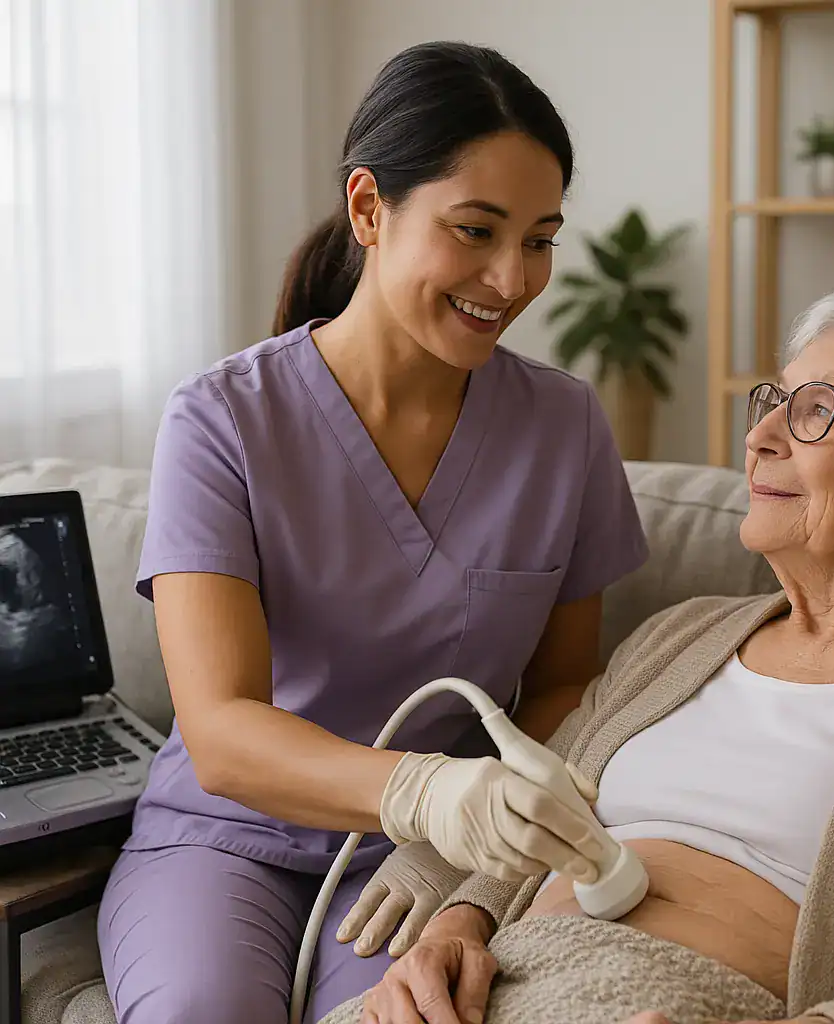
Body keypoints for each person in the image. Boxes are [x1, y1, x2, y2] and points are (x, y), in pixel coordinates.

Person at [96, 41, 649, 1024]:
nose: (511, 278)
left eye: (539, 239)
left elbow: (568, 682)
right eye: (476, 230)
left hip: (416, 865)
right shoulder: (221, 421)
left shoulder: (564, 428)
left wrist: (456, 848)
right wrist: (424, 791)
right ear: (367, 210)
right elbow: (221, 730)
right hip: (223, 840)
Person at [336, 281, 834, 1024]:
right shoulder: (677, 636)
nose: (761, 437)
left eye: (818, 411)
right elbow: (539, 813)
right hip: (500, 987)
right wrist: (455, 930)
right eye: (774, 402)